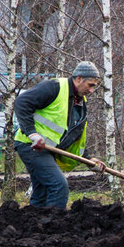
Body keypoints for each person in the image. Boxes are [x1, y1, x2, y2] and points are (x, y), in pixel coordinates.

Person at [14, 61, 107, 209]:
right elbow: (21, 102)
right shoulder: (55, 87)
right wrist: (32, 134)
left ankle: (33, 228)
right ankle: (55, 227)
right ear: (78, 79)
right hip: (31, 146)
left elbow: (74, 138)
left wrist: (89, 160)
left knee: (42, 194)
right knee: (59, 186)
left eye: (94, 86)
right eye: (90, 85)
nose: (92, 91)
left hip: (48, 150)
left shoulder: (80, 105)